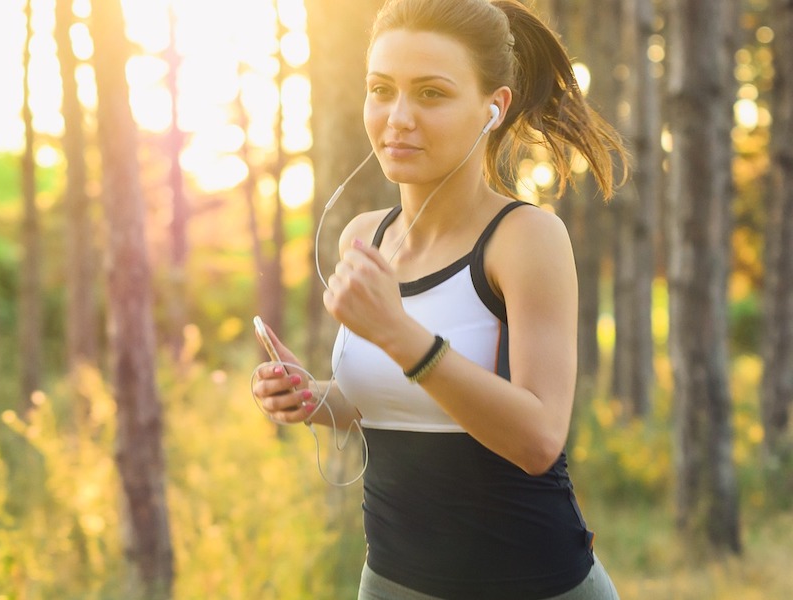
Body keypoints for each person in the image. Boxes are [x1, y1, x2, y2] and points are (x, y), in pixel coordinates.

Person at [252, 0, 628, 598]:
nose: (398, 117)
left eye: (431, 93)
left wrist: (401, 336)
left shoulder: (525, 239)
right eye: (382, 89)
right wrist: (311, 398)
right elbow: (386, 404)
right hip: (393, 582)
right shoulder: (363, 237)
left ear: (493, 107)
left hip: (535, 583)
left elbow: (538, 440)